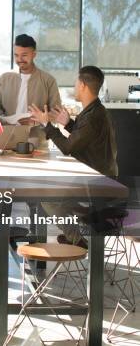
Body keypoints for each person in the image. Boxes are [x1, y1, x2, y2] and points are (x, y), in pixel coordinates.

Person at [29, 66, 118, 248]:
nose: (75, 87)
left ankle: (76, 239)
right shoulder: (97, 111)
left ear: (83, 85)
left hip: (95, 183)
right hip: (102, 178)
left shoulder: (92, 117)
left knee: (45, 196)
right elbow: (85, 139)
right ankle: (83, 220)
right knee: (55, 193)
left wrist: (47, 124)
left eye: (76, 83)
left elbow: (68, 147)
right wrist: (68, 123)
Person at [0, 34, 61, 142]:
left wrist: (37, 119)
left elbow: (57, 113)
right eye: (16, 55)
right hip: (6, 137)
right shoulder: (4, 79)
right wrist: (9, 120)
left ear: (34, 54)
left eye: (24, 55)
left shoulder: (48, 80)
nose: (19, 59)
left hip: (36, 139)